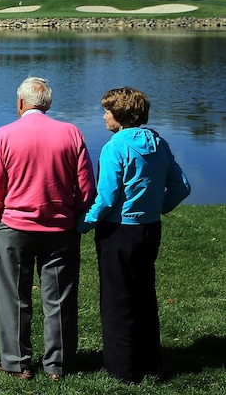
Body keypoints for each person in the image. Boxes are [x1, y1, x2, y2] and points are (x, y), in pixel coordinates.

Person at [0, 77, 96, 381]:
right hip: (60, 228)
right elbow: (86, 186)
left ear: (21, 103)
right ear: (48, 104)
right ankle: (57, 366)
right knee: (59, 297)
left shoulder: (3, 134)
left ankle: (18, 364)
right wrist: (77, 213)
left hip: (13, 227)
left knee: (13, 296)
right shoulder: (71, 133)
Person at [78, 87, 190, 383]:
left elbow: (105, 199)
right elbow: (182, 186)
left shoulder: (115, 147)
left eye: (107, 111)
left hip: (118, 232)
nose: (103, 116)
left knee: (117, 300)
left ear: (120, 115)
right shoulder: (158, 143)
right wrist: (155, 208)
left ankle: (122, 370)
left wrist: (84, 224)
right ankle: (151, 362)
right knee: (143, 294)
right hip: (149, 229)